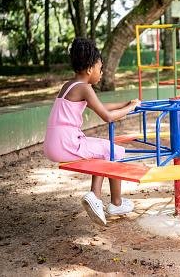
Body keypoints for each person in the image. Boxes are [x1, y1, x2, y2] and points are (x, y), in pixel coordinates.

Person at [43, 37, 140, 226]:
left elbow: (100, 106)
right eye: (100, 68)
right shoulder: (85, 88)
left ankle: (99, 197)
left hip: (53, 143)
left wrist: (128, 103)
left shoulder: (69, 85)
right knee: (114, 151)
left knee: (102, 148)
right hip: (66, 143)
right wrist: (130, 109)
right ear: (89, 69)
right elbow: (107, 116)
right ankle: (113, 202)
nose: (101, 73)